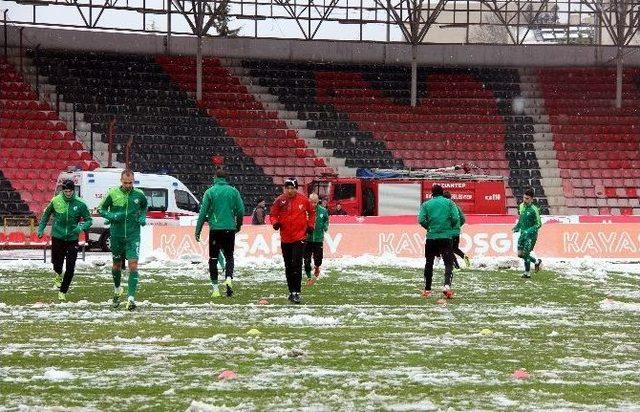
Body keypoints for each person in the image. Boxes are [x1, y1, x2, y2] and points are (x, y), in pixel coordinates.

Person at [98, 169, 148, 311]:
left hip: (133, 235)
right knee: (116, 266)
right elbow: (100, 209)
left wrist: (143, 216)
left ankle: (131, 298)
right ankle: (117, 289)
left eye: (130, 182)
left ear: (134, 181)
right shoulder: (113, 193)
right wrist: (111, 216)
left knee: (133, 265)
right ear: (121, 181)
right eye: (125, 182)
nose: (128, 185)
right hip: (116, 235)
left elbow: (144, 206)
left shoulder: (139, 195)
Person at [37, 179, 92, 301]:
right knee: (57, 263)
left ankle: (63, 291)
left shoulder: (80, 203)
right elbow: (46, 215)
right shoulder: (56, 201)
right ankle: (57, 274)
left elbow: (89, 220)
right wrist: (41, 229)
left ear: (73, 191)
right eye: (66, 191)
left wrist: (80, 227)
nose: (68, 193)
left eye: (70, 191)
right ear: (63, 190)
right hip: (58, 237)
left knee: (70, 266)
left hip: (72, 238)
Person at [195, 168, 245, 298]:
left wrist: (198, 229)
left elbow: (203, 213)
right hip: (229, 229)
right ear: (226, 178)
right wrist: (238, 225)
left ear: (215, 177)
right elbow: (240, 210)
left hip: (215, 230)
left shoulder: (210, 192)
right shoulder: (234, 191)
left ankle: (216, 289)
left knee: (213, 259)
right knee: (229, 257)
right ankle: (228, 278)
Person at [270, 177, 315, 303]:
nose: (290, 190)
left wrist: (310, 225)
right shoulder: (280, 200)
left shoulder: (304, 200)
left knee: (297, 264)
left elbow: (312, 213)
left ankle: (296, 292)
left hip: (299, 237)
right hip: (285, 238)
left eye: (292, 188)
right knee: (288, 265)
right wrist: (275, 223)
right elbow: (273, 214)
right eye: (288, 188)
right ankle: (291, 291)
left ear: (296, 188)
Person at [418, 184, 459, 299]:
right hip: (446, 237)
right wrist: (449, 228)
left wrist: (429, 227)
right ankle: (446, 286)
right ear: (442, 193)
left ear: (432, 193)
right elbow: (456, 218)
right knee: (448, 263)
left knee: (429, 263)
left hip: (431, 237)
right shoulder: (450, 203)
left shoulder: (426, 204)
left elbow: (421, 220)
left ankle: (427, 290)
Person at [513, 187, 542, 278]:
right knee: (520, 254)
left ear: (531, 199)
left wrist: (528, 231)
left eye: (527, 198)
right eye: (524, 198)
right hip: (523, 234)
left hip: (531, 235)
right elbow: (521, 218)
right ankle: (537, 262)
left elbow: (538, 224)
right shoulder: (521, 206)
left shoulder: (534, 209)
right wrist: (517, 227)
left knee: (526, 253)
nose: (524, 200)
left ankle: (527, 273)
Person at [304, 193, 329, 286]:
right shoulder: (305, 211)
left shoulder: (323, 211)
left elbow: (326, 220)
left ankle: (317, 267)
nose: (313, 204)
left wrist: (325, 226)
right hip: (307, 238)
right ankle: (308, 276)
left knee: (318, 258)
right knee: (306, 259)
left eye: (315, 202)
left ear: (318, 201)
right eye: (311, 202)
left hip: (318, 239)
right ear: (308, 201)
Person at [443, 191, 471, 270]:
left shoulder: (444, 207)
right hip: (456, 232)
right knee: (455, 248)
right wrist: (457, 226)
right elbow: (462, 219)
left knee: (448, 249)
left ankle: (456, 265)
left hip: (448, 232)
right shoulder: (456, 206)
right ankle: (465, 257)